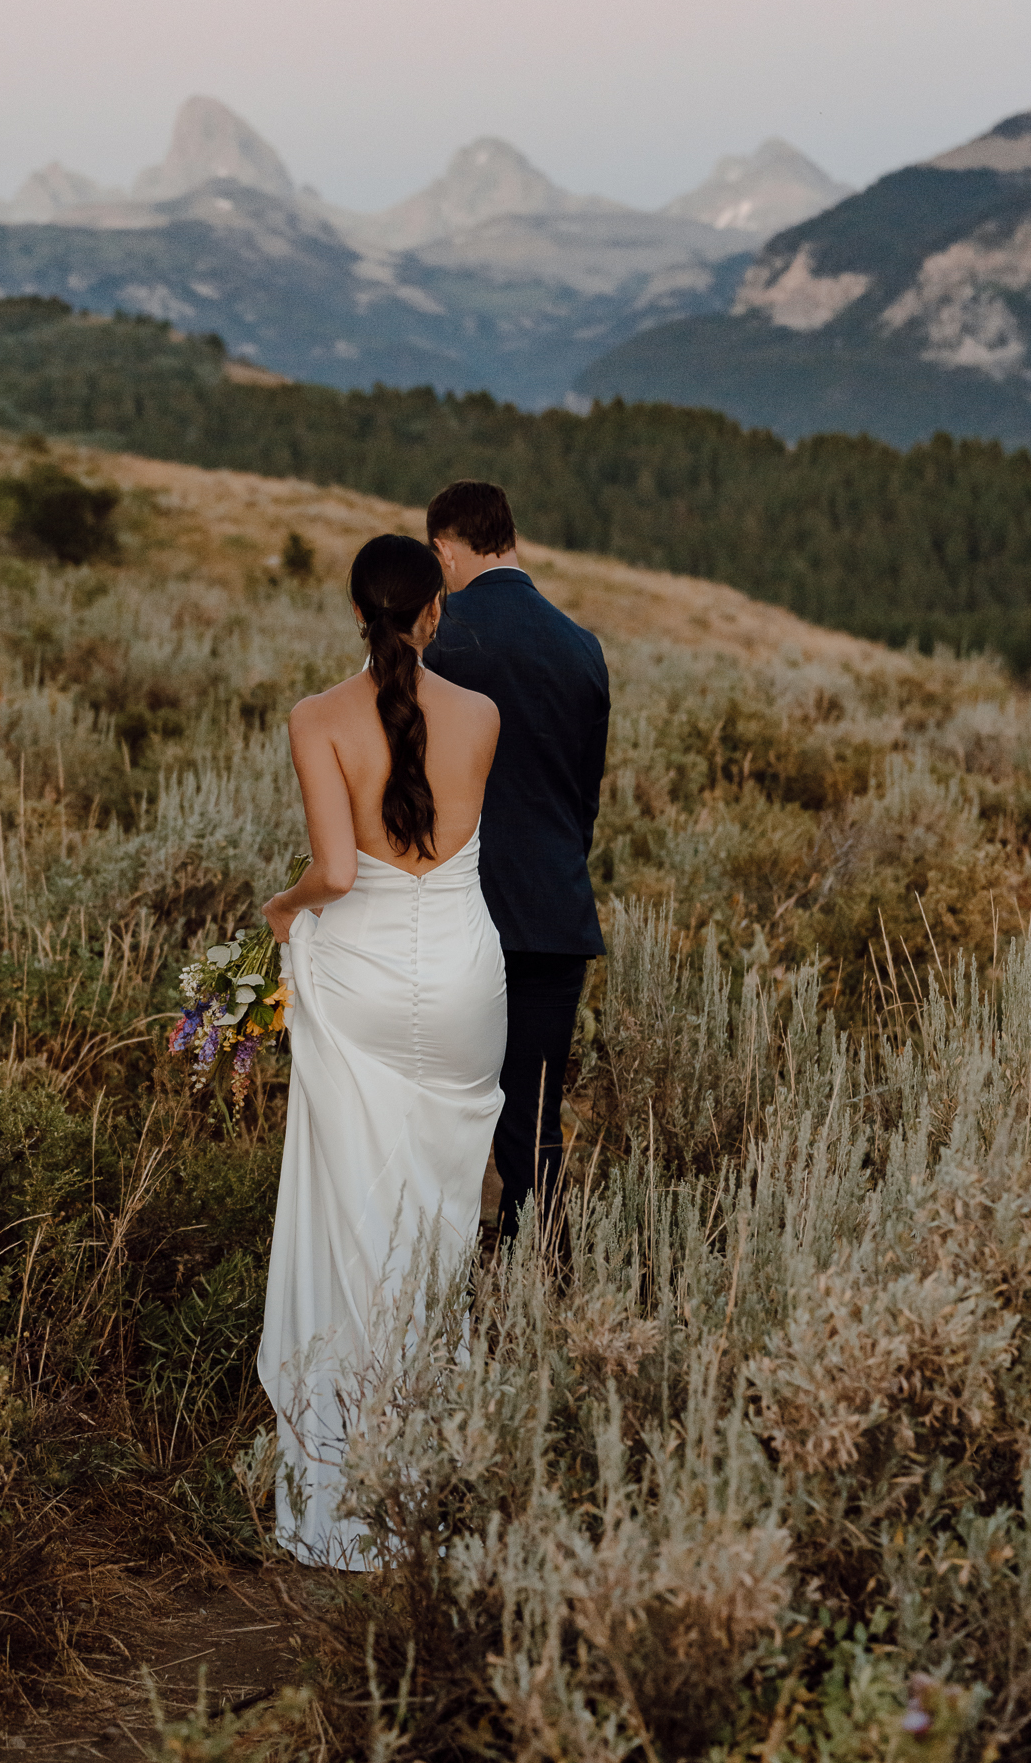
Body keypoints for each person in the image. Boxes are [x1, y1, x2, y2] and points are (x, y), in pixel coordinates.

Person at [257, 533, 507, 1569]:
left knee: (350, 1196)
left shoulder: (317, 719)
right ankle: (432, 1449)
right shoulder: (483, 715)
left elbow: (334, 871)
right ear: (436, 609)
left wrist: (279, 908)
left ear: (355, 610)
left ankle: (342, 1461)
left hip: (361, 981)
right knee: (446, 1199)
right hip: (460, 976)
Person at [422, 479, 610, 1246]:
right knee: (532, 1113)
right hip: (554, 912)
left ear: (445, 549)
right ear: (510, 538)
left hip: (457, 910)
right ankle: (543, 1277)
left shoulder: (437, 636)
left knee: (439, 1102)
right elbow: (582, 797)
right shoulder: (580, 645)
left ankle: (439, 1273)